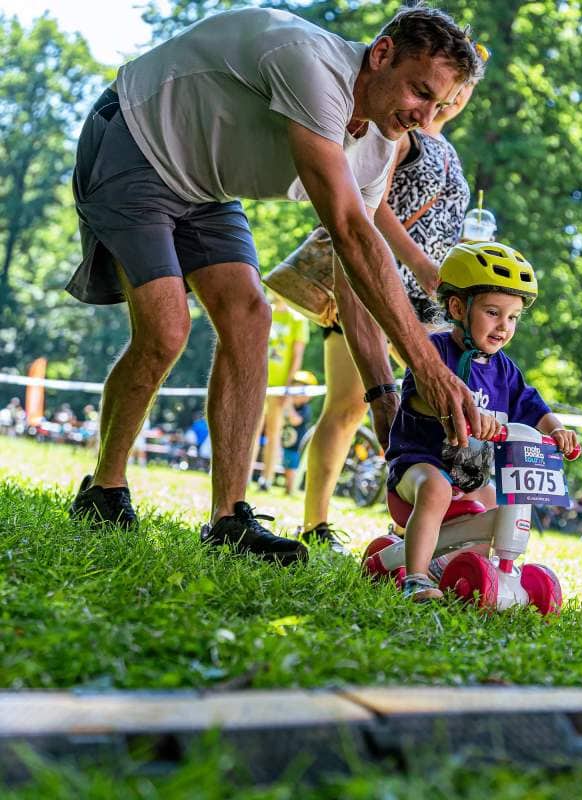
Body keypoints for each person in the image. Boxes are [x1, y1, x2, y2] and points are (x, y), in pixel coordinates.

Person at [65, 6, 484, 564]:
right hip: (137, 138)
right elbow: (352, 232)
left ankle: (228, 521)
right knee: (167, 330)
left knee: (250, 316)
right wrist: (429, 369)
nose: (423, 116)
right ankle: (104, 489)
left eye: (439, 106)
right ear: (381, 54)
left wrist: (384, 395)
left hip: (205, 187)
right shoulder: (313, 68)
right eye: (419, 92)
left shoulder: (379, 145)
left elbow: (352, 274)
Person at [297, 71, 485, 552]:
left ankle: (417, 525)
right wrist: (418, 260)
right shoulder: (403, 137)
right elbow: (369, 204)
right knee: (346, 404)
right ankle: (316, 523)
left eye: (466, 89)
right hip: (373, 286)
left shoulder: (451, 154)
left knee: (431, 408)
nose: (457, 97)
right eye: (451, 86)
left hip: (430, 301)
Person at [385, 241, 580, 602]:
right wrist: (461, 414)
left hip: (470, 477)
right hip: (417, 467)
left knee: (498, 499)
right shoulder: (435, 352)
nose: (503, 326)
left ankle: (484, 571)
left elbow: (533, 406)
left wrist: (558, 431)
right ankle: (416, 578)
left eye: (513, 317)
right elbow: (417, 398)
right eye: (493, 312)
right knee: (436, 488)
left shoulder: (504, 369)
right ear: (458, 307)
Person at [256, 296, 310, 491]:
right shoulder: (264, 311)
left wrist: (288, 389)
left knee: (274, 432)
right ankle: (243, 477)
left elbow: (297, 357)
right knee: (252, 430)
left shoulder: (297, 320)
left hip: (280, 388)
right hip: (258, 381)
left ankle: (266, 479)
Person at [279, 370, 317, 497]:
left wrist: (288, 405)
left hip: (296, 447)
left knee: (292, 468)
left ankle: (291, 489)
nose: (295, 395)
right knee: (286, 466)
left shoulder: (305, 409)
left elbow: (295, 421)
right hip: (287, 443)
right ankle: (287, 488)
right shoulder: (289, 407)